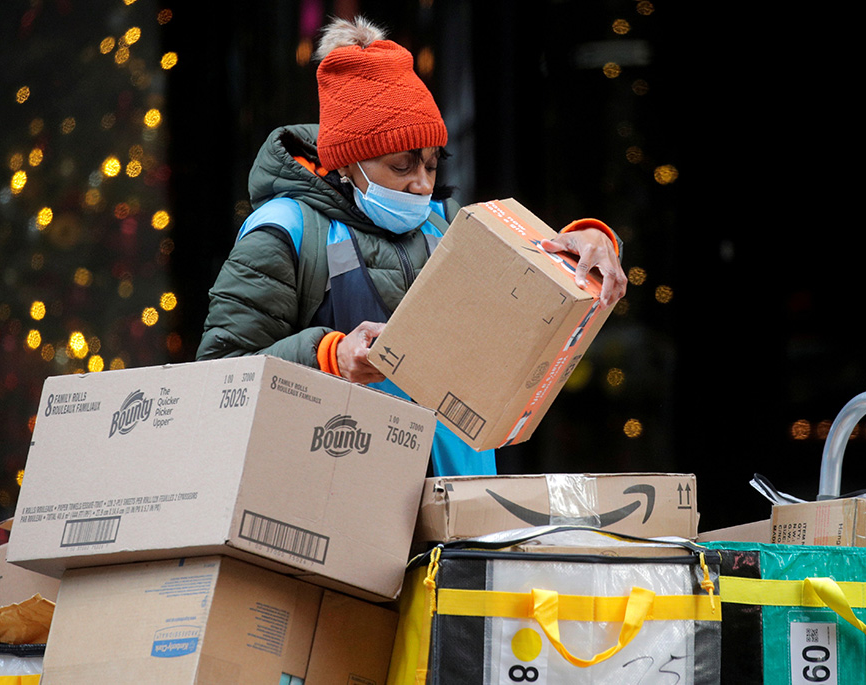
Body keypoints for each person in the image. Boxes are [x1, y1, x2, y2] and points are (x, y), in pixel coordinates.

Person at [196, 16, 627, 476]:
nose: (422, 185)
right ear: (347, 163)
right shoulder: (286, 230)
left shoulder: (444, 222)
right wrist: (331, 356)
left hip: (462, 508)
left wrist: (594, 240)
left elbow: (540, 265)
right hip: (343, 509)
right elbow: (220, 378)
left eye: (432, 164)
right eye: (401, 166)